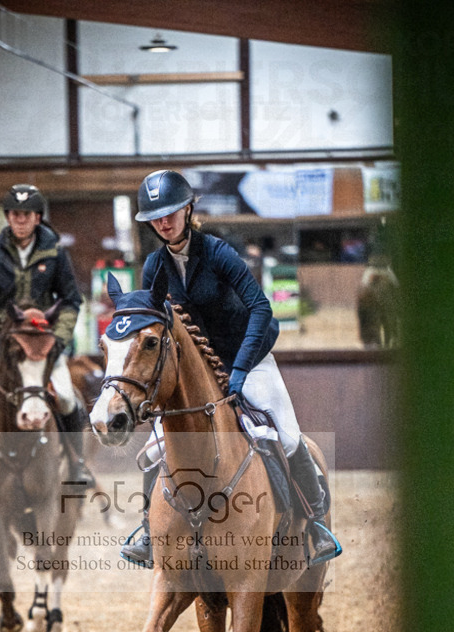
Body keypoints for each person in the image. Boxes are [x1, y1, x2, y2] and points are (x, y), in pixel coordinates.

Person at [120, 168, 341, 567]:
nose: (164, 222)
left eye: (171, 212)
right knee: (156, 447)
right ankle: (148, 530)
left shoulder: (218, 253)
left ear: (188, 209)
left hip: (249, 357)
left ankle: (316, 523)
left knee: (287, 437)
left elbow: (261, 307)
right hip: (200, 369)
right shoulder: (154, 267)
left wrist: (239, 371)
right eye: (155, 217)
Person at [0, 183, 89, 494]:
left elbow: (72, 301)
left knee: (65, 397)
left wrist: (59, 340)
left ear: (37, 217)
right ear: (8, 217)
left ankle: (77, 463)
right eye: (14, 214)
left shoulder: (55, 253)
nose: (20, 219)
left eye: (26, 214)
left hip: (42, 347)